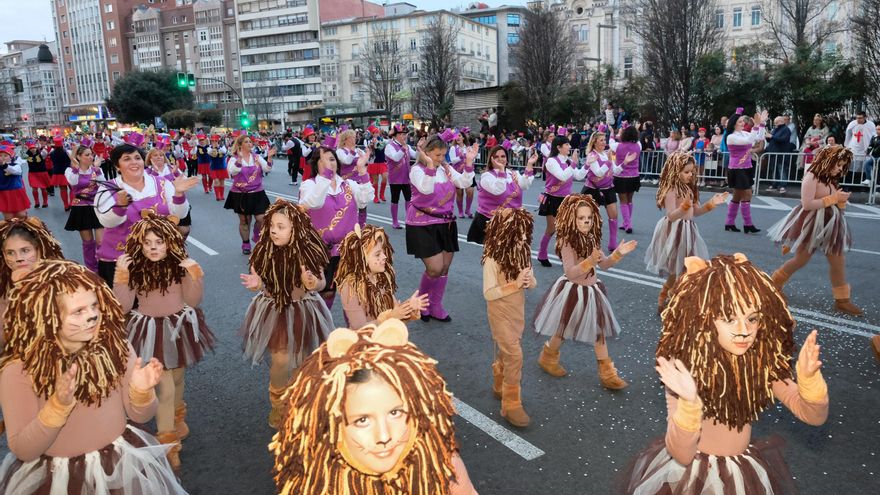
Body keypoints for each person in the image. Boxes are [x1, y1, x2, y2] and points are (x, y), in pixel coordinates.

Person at [624, 254, 828, 494]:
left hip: (741, 471)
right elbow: (681, 454)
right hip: (693, 477)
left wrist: (809, 381)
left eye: (752, 318)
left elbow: (814, 417)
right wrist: (690, 403)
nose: (744, 331)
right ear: (703, 320)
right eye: (729, 319)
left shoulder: (760, 363)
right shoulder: (686, 372)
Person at [0, 260, 185, 494]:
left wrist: (141, 391)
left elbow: (141, 415)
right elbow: (23, 450)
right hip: (59, 478)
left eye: (95, 306)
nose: (93, 316)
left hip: (121, 462)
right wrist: (56, 408)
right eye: (78, 311)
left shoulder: (117, 348)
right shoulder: (19, 372)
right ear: (46, 315)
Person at [269, 319, 478, 495]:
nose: (384, 435)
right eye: (362, 420)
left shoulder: (443, 467)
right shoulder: (318, 482)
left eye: (395, 413)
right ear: (327, 425)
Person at [113, 212, 215, 470]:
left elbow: (193, 301)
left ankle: (177, 418)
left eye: (158, 242)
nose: (153, 247)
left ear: (170, 242)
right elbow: (123, 306)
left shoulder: (178, 267)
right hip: (148, 331)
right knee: (165, 388)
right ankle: (167, 442)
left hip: (177, 327)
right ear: (139, 245)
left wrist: (195, 275)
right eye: (147, 243)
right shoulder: (136, 269)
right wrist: (122, 277)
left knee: (178, 378)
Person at [239, 199, 334, 428]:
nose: (273, 230)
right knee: (280, 360)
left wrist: (312, 282)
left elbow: (321, 282)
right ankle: (279, 404)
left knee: (303, 360)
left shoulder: (309, 251)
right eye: (272, 225)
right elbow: (260, 276)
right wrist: (257, 282)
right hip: (274, 309)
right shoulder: (264, 250)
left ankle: (302, 400)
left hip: (303, 308)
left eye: (281, 226)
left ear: (296, 229)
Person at [533, 194, 637, 390]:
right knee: (563, 328)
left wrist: (617, 254)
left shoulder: (592, 238)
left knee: (598, 332)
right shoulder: (567, 241)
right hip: (573, 290)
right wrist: (589, 261)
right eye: (581, 218)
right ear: (572, 218)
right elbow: (570, 273)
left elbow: (604, 265)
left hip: (591, 290)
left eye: (589, 217)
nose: (586, 221)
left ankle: (607, 373)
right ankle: (548, 356)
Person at [767, 145, 862, 316]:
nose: (840, 169)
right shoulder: (811, 176)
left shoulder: (830, 179)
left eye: (842, 166)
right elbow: (807, 204)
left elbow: (833, 202)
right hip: (812, 222)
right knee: (800, 260)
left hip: (830, 223)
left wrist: (841, 202)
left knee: (838, 261)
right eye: (838, 165)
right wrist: (834, 198)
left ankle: (842, 300)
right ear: (828, 161)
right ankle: (773, 285)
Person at [94, 143, 198, 285]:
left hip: (159, 255)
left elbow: (179, 214)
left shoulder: (161, 183)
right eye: (127, 159)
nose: (134, 162)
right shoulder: (107, 188)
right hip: (122, 259)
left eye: (137, 158)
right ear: (117, 166)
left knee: (162, 302)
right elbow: (106, 221)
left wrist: (179, 194)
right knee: (125, 305)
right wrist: (120, 206)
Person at [645, 152, 728, 313]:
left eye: (691, 171)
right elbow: (670, 215)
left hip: (688, 230)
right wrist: (682, 208)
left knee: (685, 267)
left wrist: (712, 203)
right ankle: (667, 295)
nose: (690, 175)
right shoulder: (671, 190)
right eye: (686, 172)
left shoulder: (690, 190)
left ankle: (669, 295)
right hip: (674, 230)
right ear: (676, 171)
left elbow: (696, 212)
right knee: (676, 267)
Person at [406, 136, 477, 323]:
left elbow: (463, 183)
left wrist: (469, 162)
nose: (440, 158)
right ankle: (420, 304)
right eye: (437, 155)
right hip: (423, 224)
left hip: (445, 222)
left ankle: (435, 305)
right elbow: (426, 190)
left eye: (443, 155)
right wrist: (430, 167)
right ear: (426, 153)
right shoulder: (416, 170)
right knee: (434, 268)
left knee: (444, 268)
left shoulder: (446, 169)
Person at [300, 145, 374, 310]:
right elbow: (314, 203)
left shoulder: (349, 184)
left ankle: (354, 331)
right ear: (315, 164)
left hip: (349, 249)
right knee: (327, 292)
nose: (329, 164)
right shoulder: (309, 185)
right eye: (324, 160)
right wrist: (326, 177)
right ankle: (322, 328)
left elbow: (364, 200)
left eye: (332, 159)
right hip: (322, 251)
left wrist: (362, 171)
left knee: (353, 293)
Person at [482, 208, 537, 427]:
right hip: (500, 314)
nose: (524, 237)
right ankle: (511, 403)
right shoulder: (492, 260)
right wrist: (515, 284)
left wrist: (528, 279)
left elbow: (532, 284)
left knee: (508, 351)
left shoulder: (521, 254)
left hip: (517, 314)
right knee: (515, 355)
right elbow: (488, 293)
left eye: (525, 232)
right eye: (519, 232)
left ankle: (499, 381)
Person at [336, 223, 428, 329]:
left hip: (388, 338)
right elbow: (359, 328)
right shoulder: (351, 286)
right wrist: (390, 317)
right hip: (368, 343)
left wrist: (409, 308)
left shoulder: (382, 278)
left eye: (383, 252)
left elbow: (395, 313)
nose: (384, 257)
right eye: (377, 254)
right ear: (362, 259)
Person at [0, 217, 64, 346]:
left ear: (39, 250)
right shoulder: (3, 289)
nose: (18, 259)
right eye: (10, 253)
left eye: (25, 251)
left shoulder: (61, 284)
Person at [466, 145, 537, 244]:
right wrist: (501, 171)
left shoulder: (513, 173)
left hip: (513, 220)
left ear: (507, 159)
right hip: (492, 221)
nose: (500, 159)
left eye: (503, 156)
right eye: (496, 157)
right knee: (495, 256)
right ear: (491, 159)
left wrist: (529, 164)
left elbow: (524, 185)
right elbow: (498, 191)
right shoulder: (486, 176)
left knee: (512, 255)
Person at [536, 136, 586, 267]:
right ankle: (542, 254)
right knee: (552, 229)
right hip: (552, 199)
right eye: (567, 144)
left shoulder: (568, 161)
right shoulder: (551, 161)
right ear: (558, 147)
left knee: (567, 230)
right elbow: (562, 175)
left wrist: (588, 164)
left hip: (566, 200)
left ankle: (566, 256)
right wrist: (574, 163)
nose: (569, 147)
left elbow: (579, 176)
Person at [225, 134, 275, 255]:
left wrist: (269, 158)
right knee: (245, 221)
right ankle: (246, 243)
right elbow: (232, 171)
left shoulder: (257, 157)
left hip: (257, 192)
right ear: (240, 144)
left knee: (262, 218)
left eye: (250, 142)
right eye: (246, 142)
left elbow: (267, 169)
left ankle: (257, 233)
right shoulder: (233, 158)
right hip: (241, 194)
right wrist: (239, 160)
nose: (249, 144)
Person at [724, 109, 768, 233]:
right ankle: (748, 224)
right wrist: (755, 126)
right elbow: (749, 141)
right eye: (740, 121)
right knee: (747, 193)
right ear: (733, 123)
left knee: (737, 195)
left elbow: (759, 137)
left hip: (746, 167)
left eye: (743, 121)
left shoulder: (744, 133)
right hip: (737, 169)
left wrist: (762, 124)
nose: (743, 123)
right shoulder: (731, 137)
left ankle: (729, 222)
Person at [64, 144, 105, 272]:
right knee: (88, 243)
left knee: (101, 242)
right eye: (87, 155)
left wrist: (96, 169)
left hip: (96, 206)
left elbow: (103, 184)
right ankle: (92, 270)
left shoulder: (97, 170)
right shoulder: (70, 171)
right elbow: (74, 182)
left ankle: (104, 268)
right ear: (79, 157)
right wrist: (76, 167)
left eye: (91, 154)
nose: (91, 157)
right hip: (81, 208)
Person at [582, 132, 621, 251]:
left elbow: (615, 171)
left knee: (614, 215)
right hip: (593, 190)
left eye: (605, 140)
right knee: (590, 219)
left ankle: (613, 244)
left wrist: (624, 163)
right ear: (594, 142)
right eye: (601, 140)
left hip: (608, 188)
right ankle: (586, 243)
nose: (604, 142)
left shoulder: (606, 154)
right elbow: (598, 172)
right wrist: (609, 161)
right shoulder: (591, 155)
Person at [335, 129, 373, 227]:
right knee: (349, 206)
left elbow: (365, 162)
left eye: (354, 137)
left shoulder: (357, 150)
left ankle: (361, 227)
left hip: (359, 180)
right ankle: (349, 227)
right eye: (351, 137)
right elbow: (347, 161)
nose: (354, 139)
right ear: (345, 139)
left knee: (363, 205)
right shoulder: (339, 151)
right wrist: (352, 151)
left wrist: (367, 155)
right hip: (347, 182)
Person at [385, 124, 419, 230]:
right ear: (395, 136)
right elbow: (395, 158)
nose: (403, 136)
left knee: (409, 199)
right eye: (400, 134)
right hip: (395, 178)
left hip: (406, 178)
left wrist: (419, 148)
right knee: (395, 199)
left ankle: (409, 219)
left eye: (405, 134)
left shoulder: (407, 146)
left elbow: (416, 156)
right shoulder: (389, 146)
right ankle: (395, 221)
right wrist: (403, 149)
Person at [613, 126, 642, 234]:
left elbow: (611, 141)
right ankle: (627, 222)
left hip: (621, 176)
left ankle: (627, 223)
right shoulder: (638, 145)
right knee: (630, 201)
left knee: (623, 201)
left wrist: (612, 132)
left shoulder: (617, 146)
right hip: (634, 176)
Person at [0, 144, 30, 220]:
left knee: (21, 215)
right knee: (9, 218)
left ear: (11, 157)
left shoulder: (16, 165)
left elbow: (15, 171)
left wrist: (4, 165)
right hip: (3, 193)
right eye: (0, 156)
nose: (2, 158)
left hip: (16, 192)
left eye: (5, 155)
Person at [844, 111, 876, 180]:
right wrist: (847, 145)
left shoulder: (871, 125)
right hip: (854, 147)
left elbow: (873, 136)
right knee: (851, 166)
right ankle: (850, 184)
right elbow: (848, 135)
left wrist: (871, 147)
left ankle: (863, 185)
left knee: (864, 167)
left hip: (866, 148)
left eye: (860, 118)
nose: (858, 120)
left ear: (865, 117)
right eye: (857, 118)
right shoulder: (852, 124)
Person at [48, 136, 72, 211]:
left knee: (63, 189)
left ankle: (65, 205)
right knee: (73, 188)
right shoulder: (67, 152)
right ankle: (71, 203)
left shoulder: (52, 153)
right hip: (67, 172)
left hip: (57, 172)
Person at [23, 140, 50, 208]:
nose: (33, 149)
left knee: (43, 188)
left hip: (42, 173)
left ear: (36, 148)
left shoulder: (41, 154)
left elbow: (45, 152)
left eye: (34, 148)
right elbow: (22, 155)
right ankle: (37, 202)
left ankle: (45, 202)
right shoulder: (27, 155)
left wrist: (42, 146)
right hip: (33, 173)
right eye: (31, 148)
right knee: (34, 188)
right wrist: (23, 147)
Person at [208, 134, 228, 201]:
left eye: (215, 141)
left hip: (222, 166)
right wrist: (214, 148)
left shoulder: (222, 147)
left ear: (218, 141)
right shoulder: (209, 148)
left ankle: (222, 195)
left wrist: (218, 147)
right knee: (216, 181)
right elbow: (210, 153)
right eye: (212, 141)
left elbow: (224, 152)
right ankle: (217, 196)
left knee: (222, 181)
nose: (214, 142)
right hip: (214, 167)